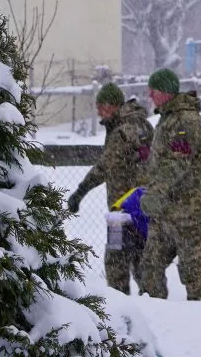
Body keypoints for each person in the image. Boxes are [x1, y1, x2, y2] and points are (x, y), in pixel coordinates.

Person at [67, 83, 153, 294]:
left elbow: (104, 167)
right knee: (142, 258)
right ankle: (152, 301)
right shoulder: (143, 126)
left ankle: (119, 303)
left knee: (115, 262)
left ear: (112, 105)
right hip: (144, 205)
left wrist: (80, 192)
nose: (98, 111)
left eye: (101, 106)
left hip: (122, 208)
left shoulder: (122, 133)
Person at [137, 68, 201, 301]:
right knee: (150, 265)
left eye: (154, 90)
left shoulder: (186, 120)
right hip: (165, 211)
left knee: (192, 270)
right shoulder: (167, 119)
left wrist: (156, 191)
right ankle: (155, 313)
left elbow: (177, 161)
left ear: (167, 92)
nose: (150, 95)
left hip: (188, 210)